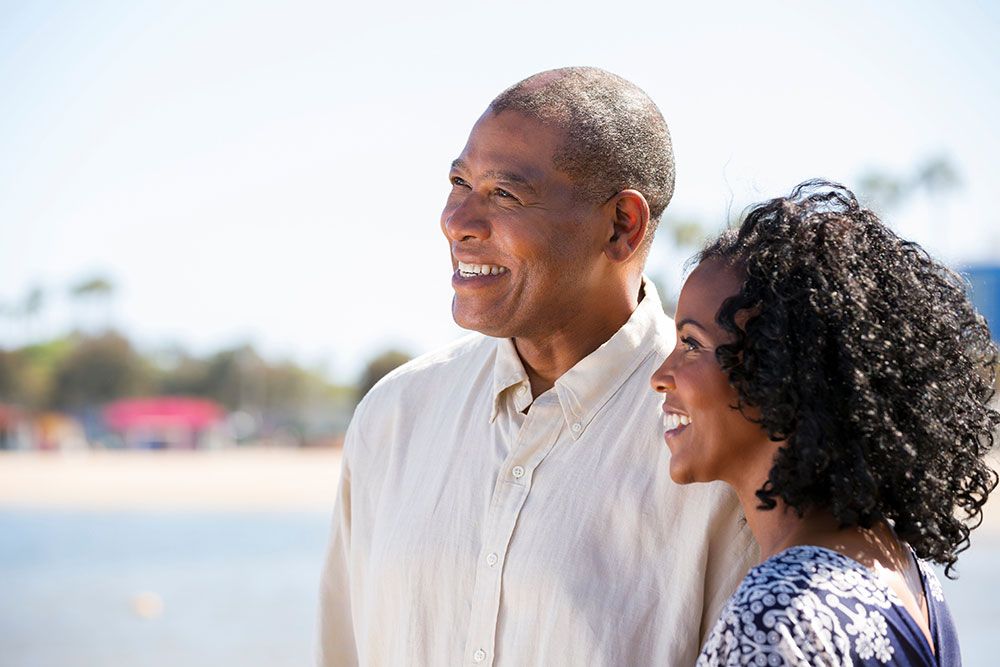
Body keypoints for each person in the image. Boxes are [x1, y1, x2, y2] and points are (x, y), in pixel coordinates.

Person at [318, 67, 756, 666]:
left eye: (504, 194)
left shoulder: (725, 436)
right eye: (459, 182)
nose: (457, 221)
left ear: (621, 226)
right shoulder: (394, 416)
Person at [650, 180, 999, 665]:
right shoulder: (903, 568)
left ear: (782, 371)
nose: (660, 376)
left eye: (691, 343)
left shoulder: (776, 617)